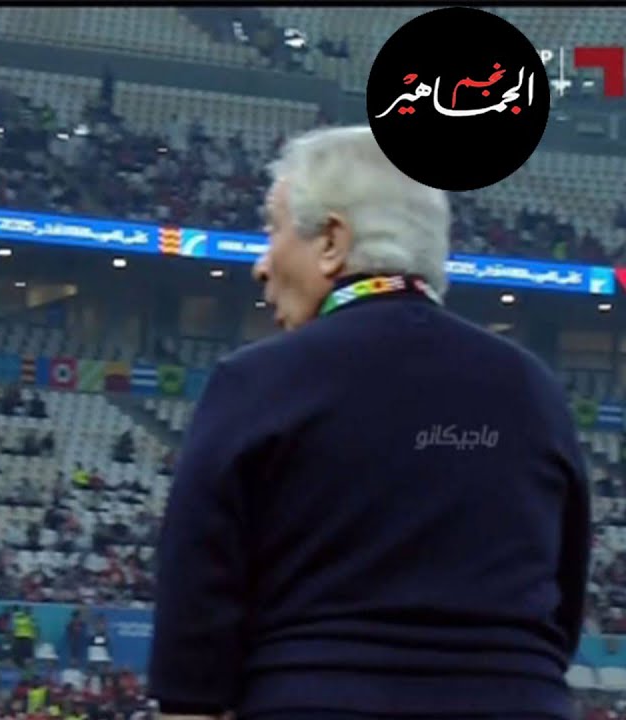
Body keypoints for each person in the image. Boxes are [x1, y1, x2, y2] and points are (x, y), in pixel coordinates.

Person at [148, 126, 589, 720]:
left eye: (272, 230)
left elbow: (194, 622)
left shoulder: (258, 382)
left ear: (332, 241)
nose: (261, 265)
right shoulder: (535, 390)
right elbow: (564, 598)